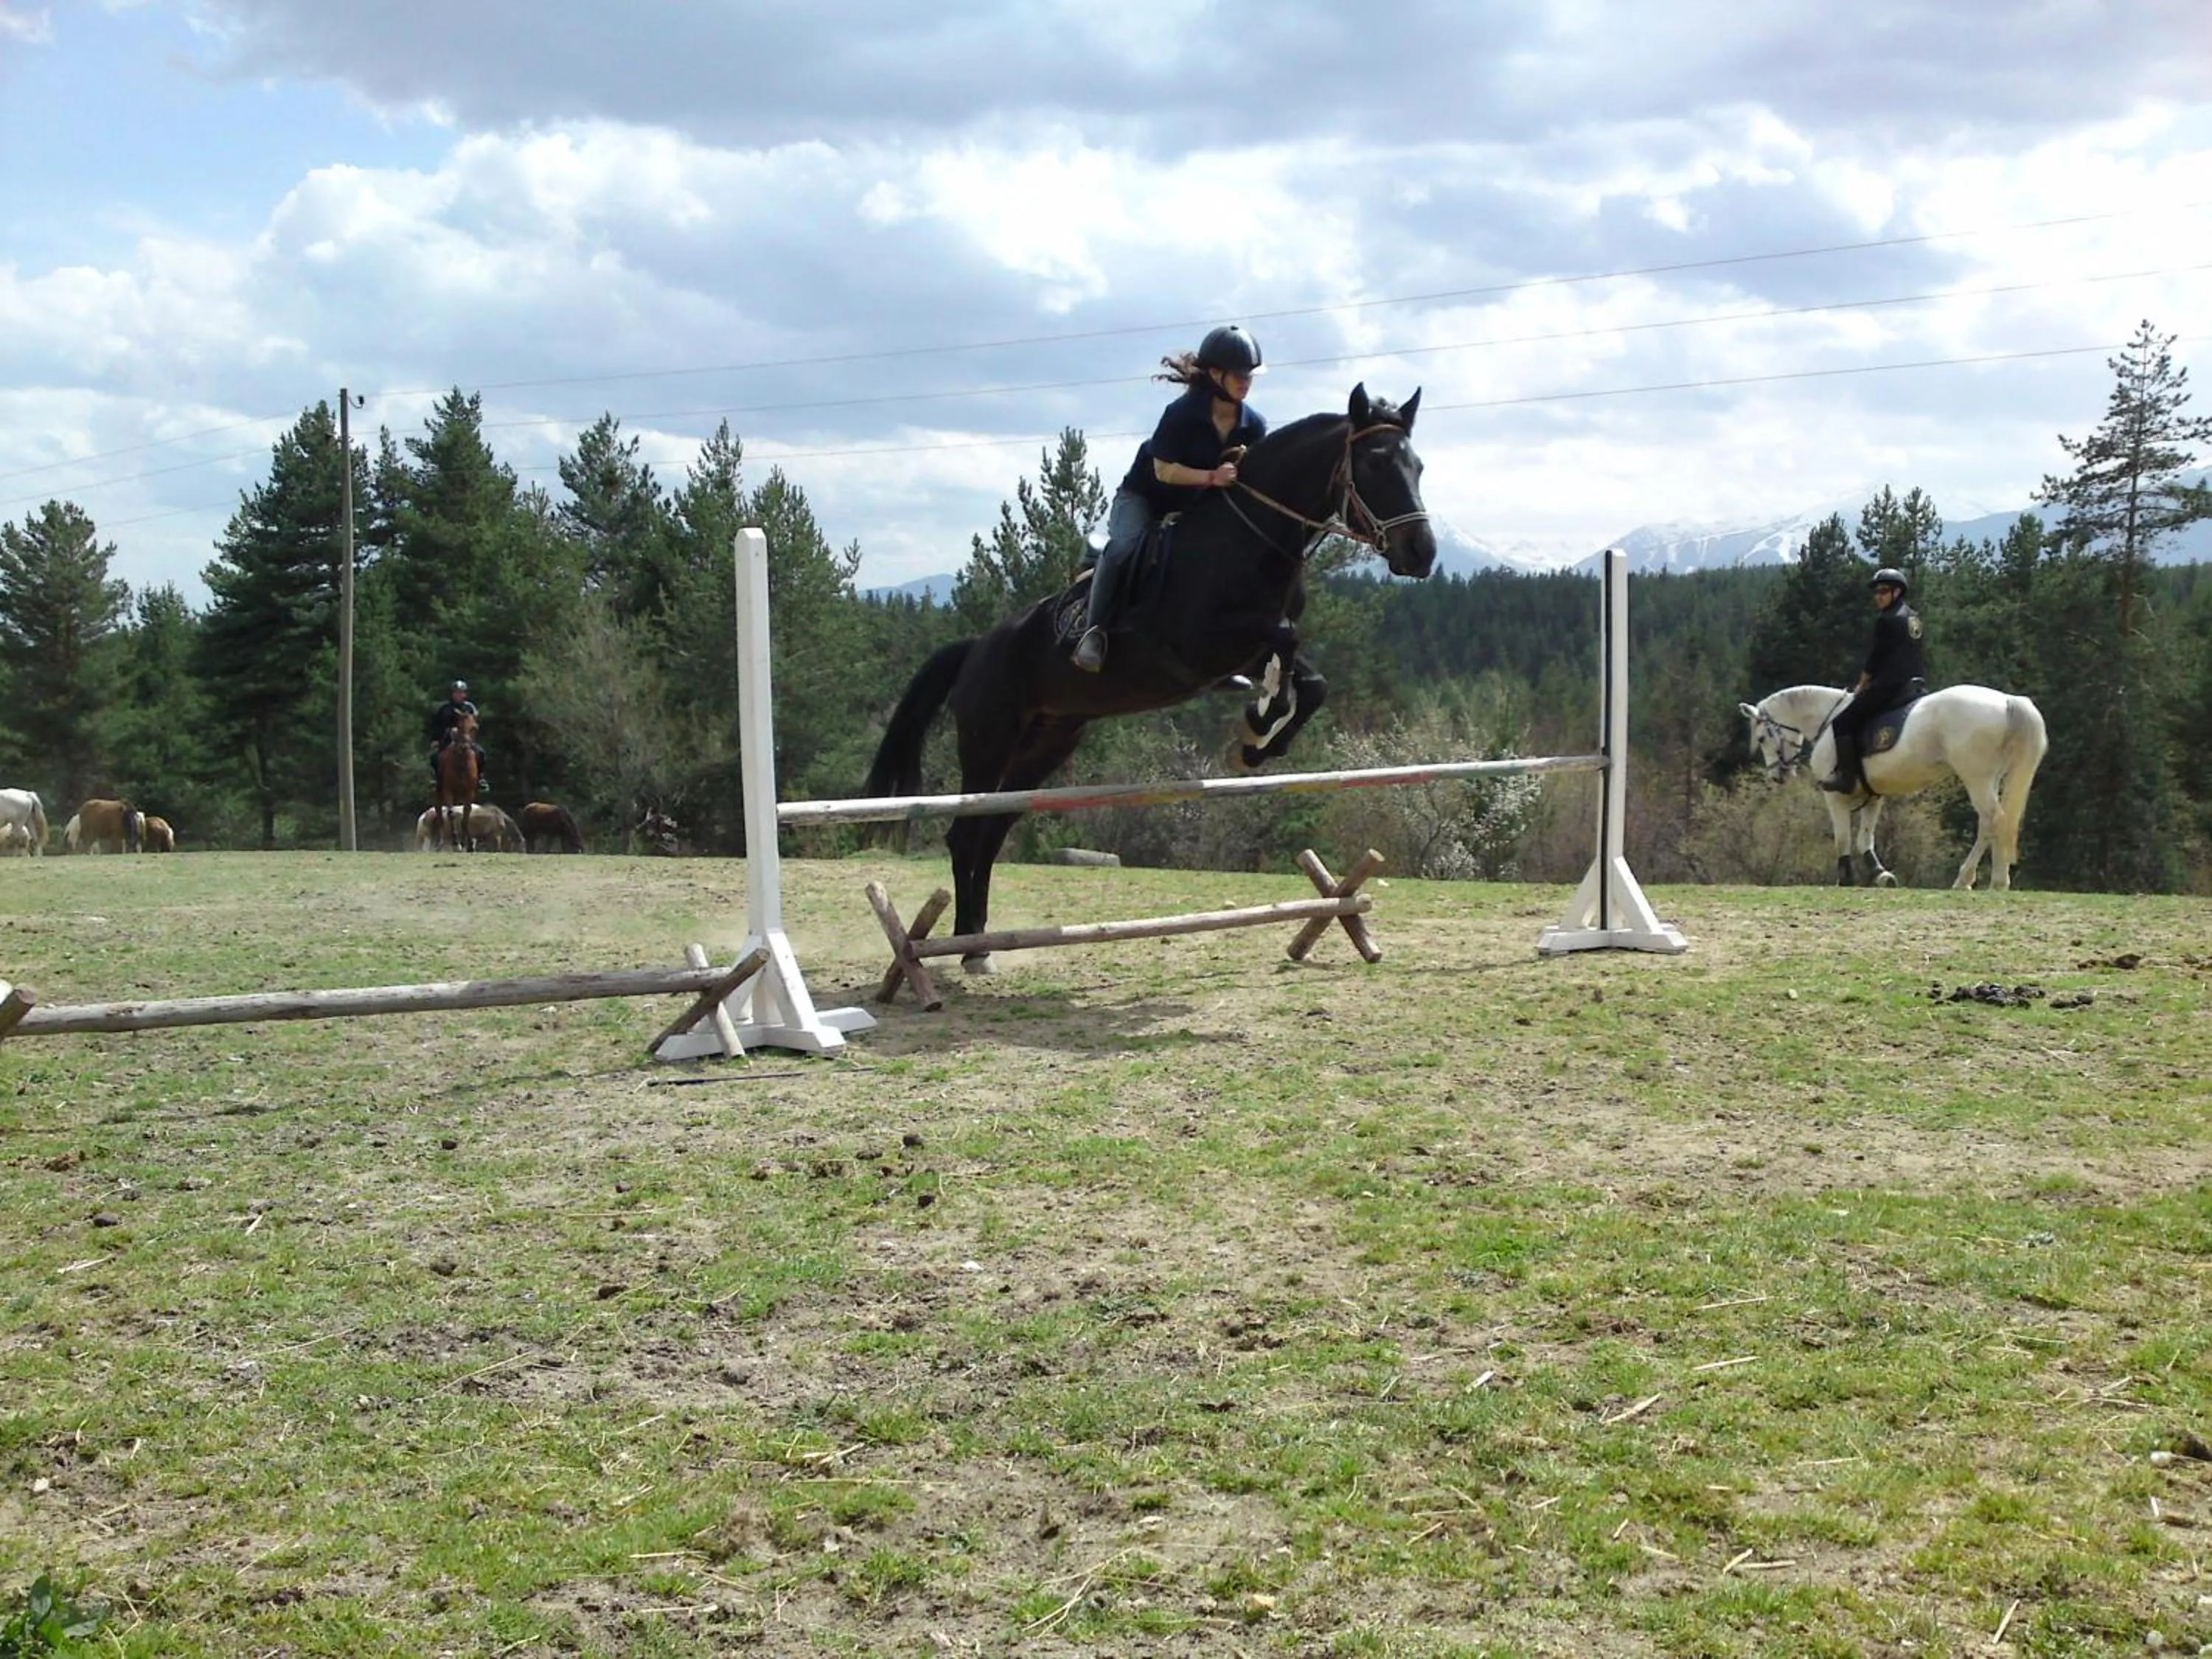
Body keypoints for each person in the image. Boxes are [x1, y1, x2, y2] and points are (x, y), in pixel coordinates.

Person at [1071, 324, 1270, 672]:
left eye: (1249, 375)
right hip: (1144, 496)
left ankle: (1222, 655)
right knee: (1123, 550)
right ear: (1215, 374)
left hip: (1193, 504)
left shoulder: (1253, 425)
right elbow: (1163, 471)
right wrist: (1212, 477)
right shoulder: (1181, 415)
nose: (1246, 381)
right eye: (1239, 374)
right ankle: (1094, 631)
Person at [1819, 568, 1927, 793]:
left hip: (1889, 686)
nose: (1877, 596)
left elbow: (1875, 658)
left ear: (1897, 592)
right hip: (1914, 683)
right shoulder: (1914, 618)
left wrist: (1862, 685)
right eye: (1876, 592)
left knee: (1843, 723)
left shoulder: (1887, 620)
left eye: (1883, 591)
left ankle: (1847, 779)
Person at [428, 678, 491, 795]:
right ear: (452, 694)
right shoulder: (444, 709)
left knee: (481, 753)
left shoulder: (470, 708)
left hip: (466, 740)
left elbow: (475, 725)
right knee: (435, 756)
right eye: (457, 693)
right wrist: (436, 739)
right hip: (447, 739)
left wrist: (471, 734)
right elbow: (436, 725)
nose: (460, 695)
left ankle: (481, 779)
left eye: (462, 692)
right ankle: (435, 780)